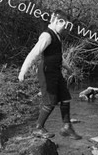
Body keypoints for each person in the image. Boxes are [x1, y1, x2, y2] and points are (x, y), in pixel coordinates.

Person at [18, 9, 82, 140]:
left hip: (56, 71)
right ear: (57, 21)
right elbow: (34, 54)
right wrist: (23, 70)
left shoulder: (57, 35)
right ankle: (38, 128)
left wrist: (69, 68)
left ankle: (66, 127)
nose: (65, 27)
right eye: (64, 24)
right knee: (50, 102)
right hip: (46, 72)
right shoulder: (46, 36)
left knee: (65, 98)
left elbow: (58, 56)